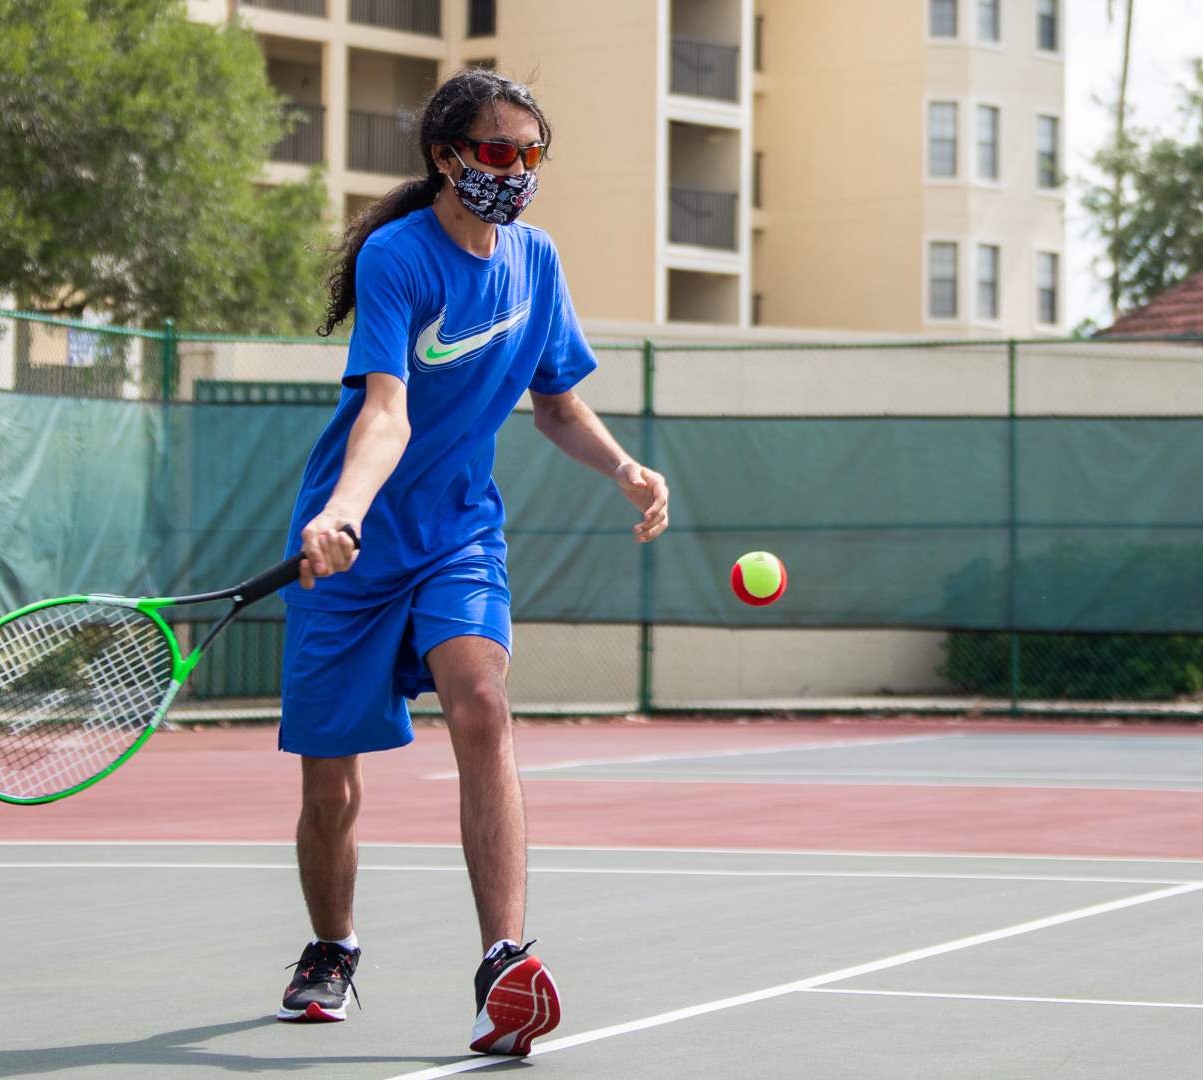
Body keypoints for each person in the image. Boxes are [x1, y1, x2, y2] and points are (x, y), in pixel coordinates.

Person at [272, 69, 670, 1057]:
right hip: (350, 549)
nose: (518, 173)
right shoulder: (400, 259)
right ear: (447, 158)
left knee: (482, 702)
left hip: (457, 534)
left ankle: (503, 962)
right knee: (332, 790)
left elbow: (556, 401)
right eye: (499, 153)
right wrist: (342, 514)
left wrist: (624, 466)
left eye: (533, 156)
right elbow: (386, 410)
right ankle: (332, 945)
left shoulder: (536, 262)